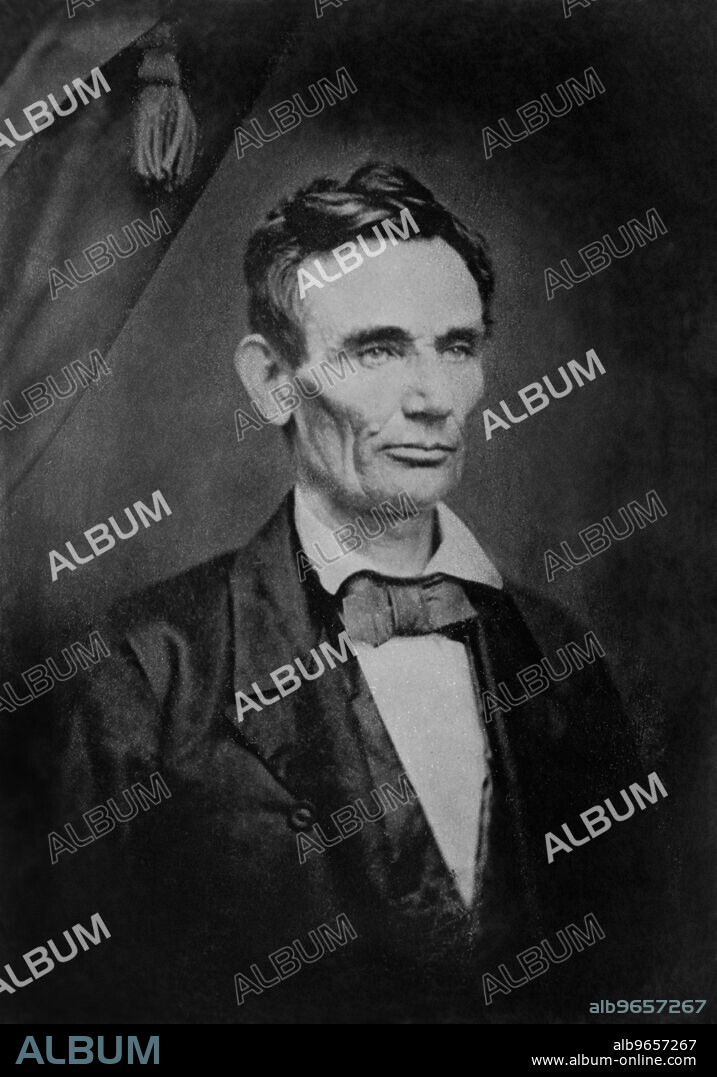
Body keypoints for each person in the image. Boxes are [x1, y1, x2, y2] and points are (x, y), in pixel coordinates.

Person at [46, 163, 657, 1024]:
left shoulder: (561, 653)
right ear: (272, 382)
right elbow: (87, 1002)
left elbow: (640, 978)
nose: (432, 398)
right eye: (376, 349)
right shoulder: (149, 665)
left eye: (456, 345)